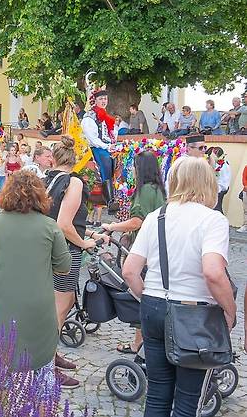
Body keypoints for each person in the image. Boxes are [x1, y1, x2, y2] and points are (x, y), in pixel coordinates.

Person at [123, 157, 237, 417]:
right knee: (188, 401)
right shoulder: (212, 220)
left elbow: (129, 270)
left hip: (153, 305)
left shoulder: (155, 217)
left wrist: (151, 299)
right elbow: (213, 272)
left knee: (157, 394)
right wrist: (230, 310)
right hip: (194, 314)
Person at [0, 170, 71, 377]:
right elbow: (64, 266)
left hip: (1, 304)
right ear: (40, 196)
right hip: (39, 307)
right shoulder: (49, 226)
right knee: (43, 373)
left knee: (1, 369)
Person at [43, 135, 107, 388]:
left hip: (47, 249)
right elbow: (63, 224)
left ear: (54, 158)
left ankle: (50, 354)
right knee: (59, 308)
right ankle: (46, 364)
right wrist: (85, 243)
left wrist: (89, 233)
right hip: (65, 251)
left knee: (63, 302)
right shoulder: (74, 183)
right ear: (76, 159)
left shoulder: (46, 180)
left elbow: (60, 218)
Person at [101, 152, 166, 354]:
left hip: (143, 250)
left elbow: (138, 221)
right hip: (155, 249)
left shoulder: (145, 190)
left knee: (141, 295)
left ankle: (140, 344)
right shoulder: (158, 189)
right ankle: (139, 342)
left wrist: (112, 227)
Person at [81, 90, 116, 203]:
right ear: (95, 100)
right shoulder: (89, 117)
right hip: (97, 147)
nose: (103, 101)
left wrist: (113, 144)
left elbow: (111, 133)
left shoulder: (106, 116)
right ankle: (109, 199)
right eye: (101, 99)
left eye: (105, 99)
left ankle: (119, 192)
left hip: (108, 145)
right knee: (106, 161)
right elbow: (92, 138)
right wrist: (106, 146)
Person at [210, 146, 231, 214]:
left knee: (217, 208)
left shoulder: (223, 166)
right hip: (217, 188)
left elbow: (223, 180)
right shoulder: (217, 164)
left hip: (220, 189)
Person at [238, 164, 247, 233]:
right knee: (246, 210)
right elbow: (244, 178)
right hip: (246, 191)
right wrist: (246, 186)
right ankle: (245, 226)